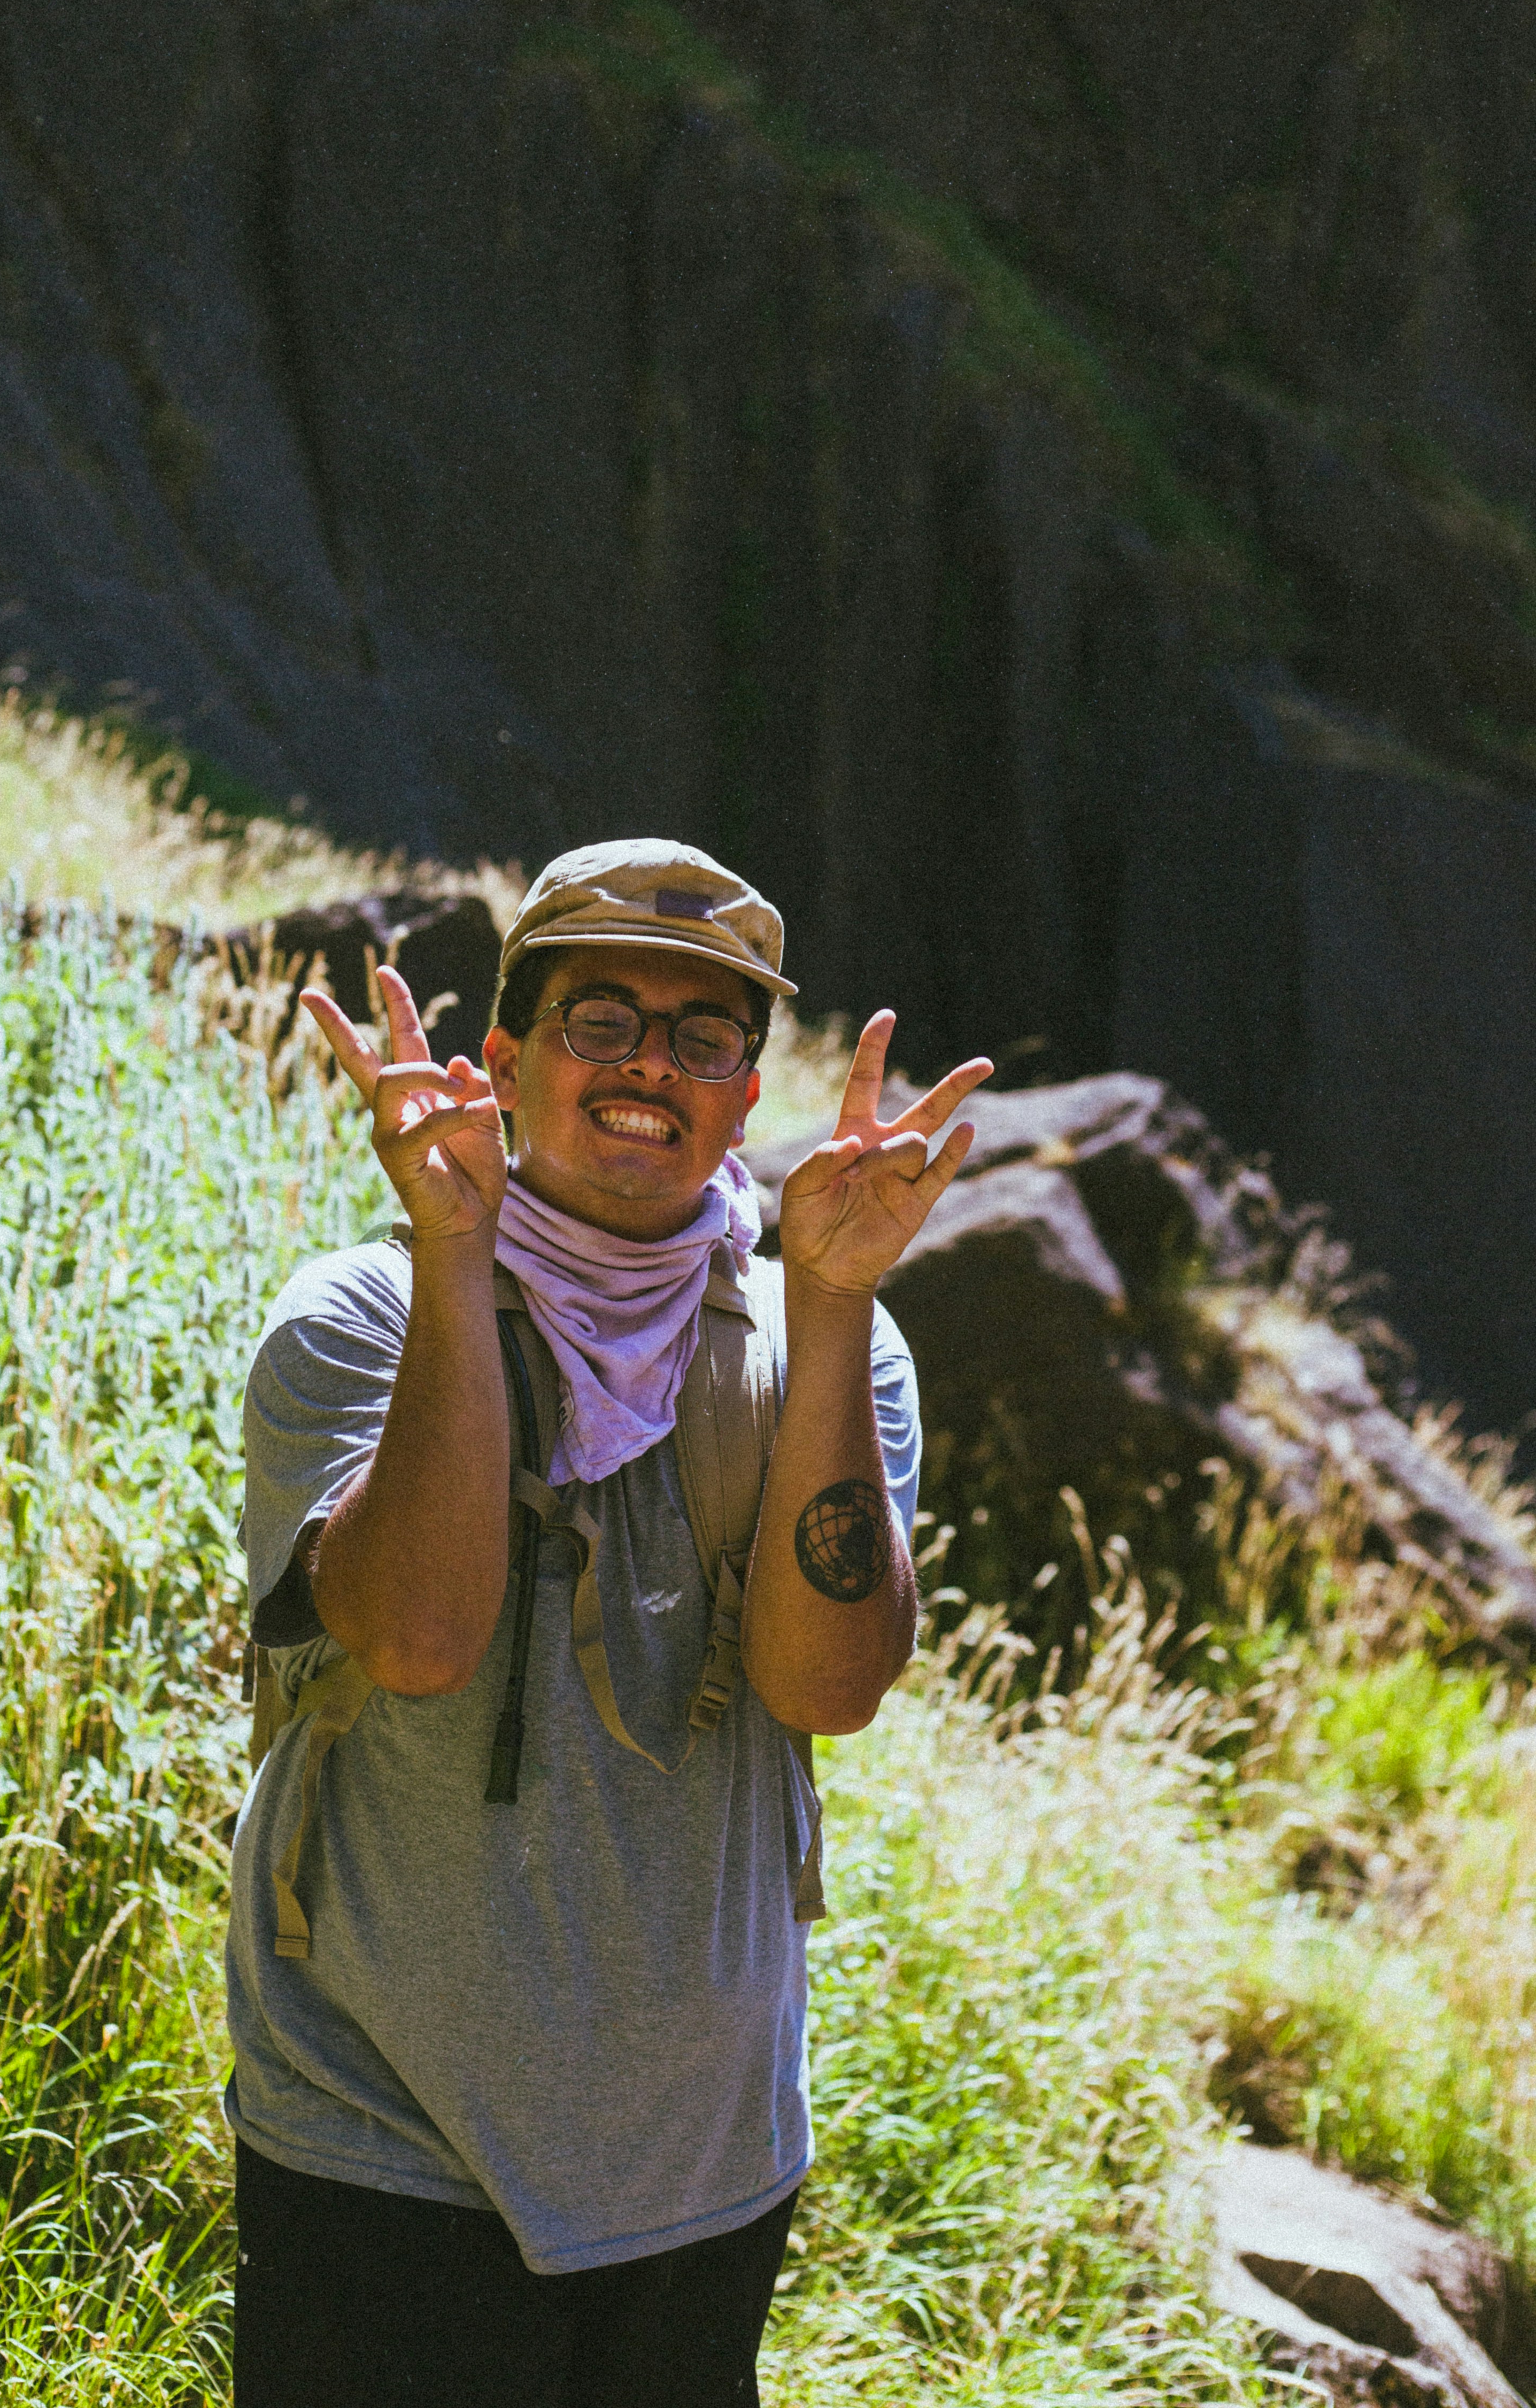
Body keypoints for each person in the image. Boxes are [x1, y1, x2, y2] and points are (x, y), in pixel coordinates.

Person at [226, 839, 990, 2407]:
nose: (653, 1063)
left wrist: (836, 1298)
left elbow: (824, 1683)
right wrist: (457, 1255)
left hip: (700, 2162)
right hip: (380, 2130)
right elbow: (418, 1640)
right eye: (601, 1019)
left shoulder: (825, 1341)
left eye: (707, 1036)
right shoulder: (354, 1320)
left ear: (746, 1093)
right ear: (503, 1061)